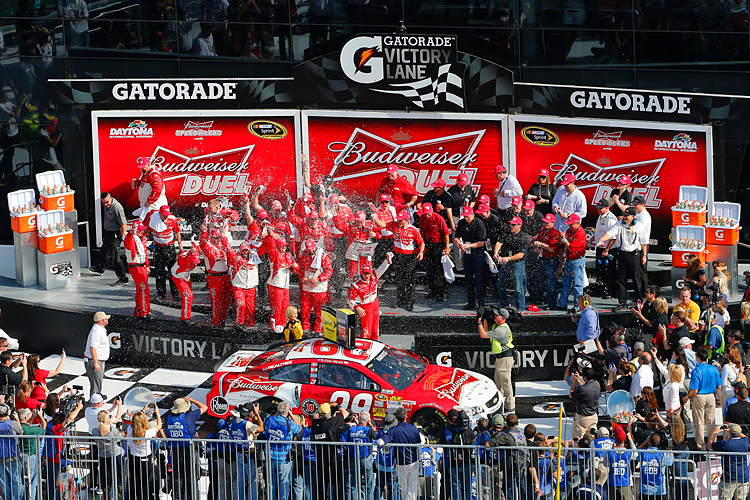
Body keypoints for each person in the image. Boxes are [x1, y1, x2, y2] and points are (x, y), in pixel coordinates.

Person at [597, 206, 648, 311]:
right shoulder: (620, 224)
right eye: (624, 215)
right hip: (623, 254)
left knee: (636, 279)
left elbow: (644, 243)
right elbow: (611, 233)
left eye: (627, 215)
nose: (624, 217)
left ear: (633, 217)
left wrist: (644, 255)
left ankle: (639, 301)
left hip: (635, 255)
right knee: (621, 279)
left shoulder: (639, 226)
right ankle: (622, 303)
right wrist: (602, 238)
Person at [166, 397, 206, 500]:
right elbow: (204, 407)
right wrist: (191, 399)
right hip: (189, 451)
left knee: (177, 478)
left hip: (175, 452)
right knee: (191, 477)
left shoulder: (170, 417)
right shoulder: (189, 416)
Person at [42, 399, 83, 500]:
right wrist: (79, 408)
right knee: (54, 483)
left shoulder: (50, 424)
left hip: (48, 455)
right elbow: (70, 418)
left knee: (50, 481)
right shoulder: (56, 428)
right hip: (55, 457)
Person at [478, 308, 516, 413]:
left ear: (502, 318)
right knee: (499, 383)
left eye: (496, 315)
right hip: (500, 359)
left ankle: (510, 406)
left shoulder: (502, 329)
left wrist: (479, 323)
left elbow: (483, 334)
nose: (494, 316)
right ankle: (499, 404)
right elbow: (487, 331)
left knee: (505, 383)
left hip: (505, 359)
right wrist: (484, 319)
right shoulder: (497, 326)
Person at [381, 407, 424, 500]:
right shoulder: (413, 428)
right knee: (413, 484)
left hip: (401, 462)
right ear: (406, 416)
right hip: (413, 460)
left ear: (396, 417)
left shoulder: (393, 430)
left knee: (403, 486)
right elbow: (418, 441)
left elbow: (382, 441)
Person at [265, 401, 303, 500]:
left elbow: (264, 430)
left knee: (271, 484)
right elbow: (299, 428)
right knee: (284, 485)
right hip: (284, 459)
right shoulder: (289, 423)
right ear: (287, 411)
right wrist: (291, 413)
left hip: (269, 456)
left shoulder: (268, 419)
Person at [348, 257, 392, 341]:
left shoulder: (374, 276)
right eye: (365, 273)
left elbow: (383, 268)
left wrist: (388, 258)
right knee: (366, 333)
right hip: (365, 308)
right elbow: (350, 300)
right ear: (361, 273)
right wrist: (357, 307)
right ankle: (362, 348)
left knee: (375, 331)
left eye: (368, 273)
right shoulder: (356, 285)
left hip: (375, 305)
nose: (367, 275)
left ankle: (373, 347)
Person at [144, 205, 182, 302]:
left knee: (172, 272)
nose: (166, 217)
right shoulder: (152, 218)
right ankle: (161, 294)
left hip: (170, 247)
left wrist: (180, 245)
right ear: (159, 213)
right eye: (164, 215)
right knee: (159, 272)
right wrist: (140, 238)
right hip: (158, 248)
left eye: (167, 215)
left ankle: (175, 294)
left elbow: (177, 232)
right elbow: (146, 229)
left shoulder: (172, 219)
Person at [312, 402, 349, 500]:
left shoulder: (315, 424)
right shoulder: (331, 423)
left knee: (321, 485)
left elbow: (316, 417)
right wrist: (335, 405)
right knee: (338, 484)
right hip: (332, 458)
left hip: (320, 458)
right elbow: (345, 413)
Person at [388, 210, 424, 310]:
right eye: (398, 220)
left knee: (409, 280)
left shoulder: (413, 229)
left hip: (409, 258)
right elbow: (382, 225)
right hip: (398, 256)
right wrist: (374, 217)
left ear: (406, 219)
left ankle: (409, 301)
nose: (399, 222)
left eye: (401, 220)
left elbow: (421, 243)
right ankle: (400, 300)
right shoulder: (395, 225)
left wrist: (421, 252)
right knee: (399, 279)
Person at [265, 232, 300, 332]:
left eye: (285, 246)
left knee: (285, 307)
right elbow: (271, 247)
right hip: (276, 285)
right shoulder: (274, 254)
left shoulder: (288, 256)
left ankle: (283, 324)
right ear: (278, 246)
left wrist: (295, 267)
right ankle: (273, 326)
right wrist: (270, 235)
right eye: (282, 246)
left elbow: (295, 269)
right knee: (277, 307)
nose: (284, 247)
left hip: (285, 286)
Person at [92, 192, 129, 285]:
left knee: (115, 256)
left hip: (115, 234)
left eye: (107, 202)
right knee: (104, 250)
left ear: (110, 198)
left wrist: (122, 236)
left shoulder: (117, 208)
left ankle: (123, 278)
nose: (105, 205)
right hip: (108, 232)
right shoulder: (107, 206)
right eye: (103, 203)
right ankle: (100, 268)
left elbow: (123, 224)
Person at [689, 346, 722, 450]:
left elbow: (694, 390)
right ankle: (712, 445)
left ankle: (701, 446)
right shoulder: (714, 368)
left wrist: (686, 397)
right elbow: (719, 386)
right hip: (711, 396)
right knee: (711, 421)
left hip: (699, 397)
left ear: (698, 358)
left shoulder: (696, 371)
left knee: (699, 422)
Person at [226, 241, 264, 329]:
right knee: (241, 304)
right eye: (243, 250)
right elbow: (228, 249)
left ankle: (250, 325)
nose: (245, 252)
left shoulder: (255, 256)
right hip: (238, 287)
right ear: (240, 250)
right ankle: (239, 323)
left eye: (247, 250)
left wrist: (269, 235)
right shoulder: (235, 257)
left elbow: (265, 247)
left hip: (251, 287)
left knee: (251, 309)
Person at [454, 206, 487, 310]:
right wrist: (458, 243)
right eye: (465, 216)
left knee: (479, 279)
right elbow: (456, 236)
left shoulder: (479, 224)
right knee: (468, 279)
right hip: (467, 254)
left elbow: (482, 243)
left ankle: (481, 303)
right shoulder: (462, 223)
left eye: (468, 216)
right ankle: (471, 302)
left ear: (472, 214)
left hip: (477, 254)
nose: (466, 218)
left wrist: (468, 245)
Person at [126, 410, 163, 500]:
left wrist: (142, 411)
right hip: (145, 460)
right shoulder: (147, 433)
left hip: (134, 459)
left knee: (134, 481)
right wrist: (157, 412)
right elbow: (159, 425)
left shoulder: (130, 430)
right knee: (145, 483)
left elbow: (136, 420)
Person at [298, 239, 333, 333]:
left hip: (319, 287)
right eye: (308, 249)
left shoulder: (323, 256)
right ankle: (305, 328)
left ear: (315, 246)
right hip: (307, 286)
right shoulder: (304, 254)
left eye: (311, 249)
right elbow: (300, 268)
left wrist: (319, 278)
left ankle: (319, 329)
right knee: (305, 308)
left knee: (319, 310)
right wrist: (302, 277)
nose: (309, 251)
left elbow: (329, 271)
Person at [494, 216, 528, 311]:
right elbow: (499, 242)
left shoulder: (523, 238)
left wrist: (508, 258)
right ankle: (503, 304)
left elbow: (521, 254)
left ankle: (520, 307)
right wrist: (496, 252)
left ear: (519, 226)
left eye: (513, 225)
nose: (511, 226)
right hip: (506, 262)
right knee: (500, 283)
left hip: (517, 263)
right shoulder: (507, 233)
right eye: (511, 224)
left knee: (518, 287)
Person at [419, 202, 451, 302]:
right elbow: (422, 231)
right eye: (425, 213)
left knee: (438, 270)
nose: (427, 215)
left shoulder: (438, 218)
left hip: (438, 245)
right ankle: (433, 290)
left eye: (428, 213)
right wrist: (422, 245)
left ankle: (442, 292)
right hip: (428, 244)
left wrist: (446, 247)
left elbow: (446, 234)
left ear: (432, 211)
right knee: (430, 270)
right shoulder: (422, 218)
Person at [341, 412, 377, 500]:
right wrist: (371, 425)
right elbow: (376, 437)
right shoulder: (368, 429)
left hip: (354, 459)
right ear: (368, 421)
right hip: (366, 459)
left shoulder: (351, 429)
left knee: (354, 484)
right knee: (369, 484)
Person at [91, 408, 125, 500]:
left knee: (105, 478)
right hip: (115, 455)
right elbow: (117, 436)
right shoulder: (112, 430)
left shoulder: (95, 431)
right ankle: (115, 495)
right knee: (117, 476)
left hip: (103, 456)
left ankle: (107, 496)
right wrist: (111, 423)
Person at [201, 228, 232, 327]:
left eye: (219, 237)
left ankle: (223, 320)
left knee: (227, 299)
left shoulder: (224, 246)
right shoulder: (208, 246)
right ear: (211, 237)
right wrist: (204, 232)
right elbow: (203, 243)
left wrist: (225, 239)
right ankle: (215, 322)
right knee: (216, 301)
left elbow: (231, 255)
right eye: (216, 238)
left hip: (225, 276)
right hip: (214, 278)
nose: (218, 239)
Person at [709, 423, 749, 500]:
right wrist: (735, 430)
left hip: (729, 479)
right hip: (743, 477)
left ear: (730, 433)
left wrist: (715, 432)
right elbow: (744, 436)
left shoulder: (726, 444)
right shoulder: (745, 442)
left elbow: (710, 445)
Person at [557, 213, 587, 312]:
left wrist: (564, 239)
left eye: (571, 224)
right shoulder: (570, 230)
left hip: (577, 260)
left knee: (578, 285)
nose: (569, 226)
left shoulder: (580, 233)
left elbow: (571, 248)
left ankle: (578, 306)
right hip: (570, 260)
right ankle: (562, 303)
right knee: (566, 283)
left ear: (578, 223)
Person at [443, 409, 475, 500]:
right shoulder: (467, 429)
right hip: (467, 461)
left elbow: (442, 443)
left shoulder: (446, 430)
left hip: (453, 462)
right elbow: (473, 440)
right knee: (467, 484)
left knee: (456, 485)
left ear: (448, 419)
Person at [532, 213, 560, 310]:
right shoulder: (542, 230)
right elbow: (539, 240)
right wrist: (536, 245)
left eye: (547, 223)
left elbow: (553, 249)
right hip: (542, 258)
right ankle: (542, 298)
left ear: (553, 222)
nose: (545, 224)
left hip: (551, 259)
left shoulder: (555, 233)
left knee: (551, 282)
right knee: (541, 279)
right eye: (544, 222)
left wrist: (541, 244)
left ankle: (552, 303)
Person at [125, 222, 151, 319]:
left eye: (142, 229)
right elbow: (128, 242)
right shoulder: (130, 238)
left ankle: (138, 311)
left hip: (142, 267)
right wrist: (130, 234)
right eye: (140, 230)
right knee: (144, 290)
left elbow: (145, 254)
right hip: (135, 267)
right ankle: (144, 313)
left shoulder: (143, 239)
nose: (142, 231)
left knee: (140, 290)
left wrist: (147, 266)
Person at [593, 198, 618, 298]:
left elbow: (613, 237)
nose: (598, 210)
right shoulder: (601, 216)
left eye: (600, 208)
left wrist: (607, 250)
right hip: (600, 247)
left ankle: (610, 292)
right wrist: (592, 239)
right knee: (600, 269)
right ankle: (600, 288)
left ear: (607, 208)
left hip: (609, 249)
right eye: (598, 208)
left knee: (609, 271)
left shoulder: (611, 219)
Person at [171, 240, 201, 324]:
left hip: (186, 277)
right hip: (178, 277)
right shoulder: (183, 256)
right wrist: (191, 255)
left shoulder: (194, 255)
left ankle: (187, 314)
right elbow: (183, 260)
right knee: (188, 295)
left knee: (187, 296)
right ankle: (185, 318)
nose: (194, 263)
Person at [18, 407, 45, 500]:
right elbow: (43, 428)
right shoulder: (30, 430)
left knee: (22, 481)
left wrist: (32, 417)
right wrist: (41, 417)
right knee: (32, 482)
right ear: (25, 417)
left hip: (20, 457)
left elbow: (25, 426)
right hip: (31, 458)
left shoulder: (18, 428)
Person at [638, 433, 673, 500]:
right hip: (659, 490)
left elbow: (635, 451)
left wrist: (645, 441)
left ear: (649, 442)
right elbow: (670, 461)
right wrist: (670, 448)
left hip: (645, 489)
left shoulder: (643, 452)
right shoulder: (663, 454)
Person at [605, 426, 636, 500]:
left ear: (615, 439)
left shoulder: (610, 452)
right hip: (625, 483)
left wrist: (613, 448)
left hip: (612, 483)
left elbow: (605, 464)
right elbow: (636, 454)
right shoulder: (628, 452)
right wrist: (630, 440)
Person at [84, 312, 110, 399]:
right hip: (94, 361)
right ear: (100, 321)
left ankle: (97, 400)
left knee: (97, 384)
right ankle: (93, 405)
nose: (107, 319)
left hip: (97, 360)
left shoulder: (100, 328)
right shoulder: (96, 331)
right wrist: (96, 363)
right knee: (96, 385)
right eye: (105, 318)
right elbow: (92, 347)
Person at [570, 367, 601, 439]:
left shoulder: (583, 389)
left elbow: (571, 395)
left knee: (577, 440)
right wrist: (578, 379)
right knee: (592, 440)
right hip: (593, 417)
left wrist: (573, 381)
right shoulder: (597, 384)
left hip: (582, 418)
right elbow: (585, 388)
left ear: (584, 377)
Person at [0, 403, 23, 500]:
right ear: (8, 412)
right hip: (13, 457)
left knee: (3, 482)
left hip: (1, 458)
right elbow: (21, 432)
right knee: (16, 481)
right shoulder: (12, 424)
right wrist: (17, 419)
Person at [631, 195, 652, 290]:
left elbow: (638, 230)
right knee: (636, 270)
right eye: (634, 204)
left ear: (643, 205)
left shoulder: (645, 217)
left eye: (636, 205)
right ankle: (638, 290)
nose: (634, 206)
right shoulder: (637, 214)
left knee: (642, 270)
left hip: (642, 245)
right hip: (635, 245)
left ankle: (644, 292)